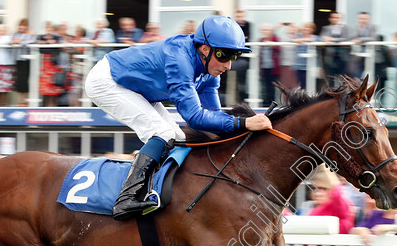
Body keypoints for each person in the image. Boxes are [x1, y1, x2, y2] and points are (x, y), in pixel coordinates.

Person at [84, 15, 271, 219]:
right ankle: (127, 198)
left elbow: (215, 119)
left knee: (179, 139)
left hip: (138, 89)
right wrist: (243, 122)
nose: (228, 65)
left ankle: (162, 192)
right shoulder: (180, 58)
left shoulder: (210, 72)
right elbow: (195, 118)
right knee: (162, 133)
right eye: (224, 55)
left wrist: (241, 130)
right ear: (205, 49)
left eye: (234, 57)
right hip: (107, 80)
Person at [320, 11, 350, 84]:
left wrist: (333, 40)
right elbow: (322, 38)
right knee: (330, 80)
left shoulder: (345, 28)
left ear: (340, 19)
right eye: (333, 17)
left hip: (343, 58)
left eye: (337, 17)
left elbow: (346, 38)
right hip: (330, 58)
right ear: (330, 18)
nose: (335, 19)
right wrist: (326, 39)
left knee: (344, 80)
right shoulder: (326, 28)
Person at [257, 23, 280, 107]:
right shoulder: (261, 40)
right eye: (263, 30)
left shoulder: (275, 39)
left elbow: (278, 49)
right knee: (264, 87)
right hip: (264, 68)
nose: (265, 32)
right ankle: (265, 105)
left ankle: (272, 105)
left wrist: (270, 43)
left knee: (272, 88)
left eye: (267, 30)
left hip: (273, 68)